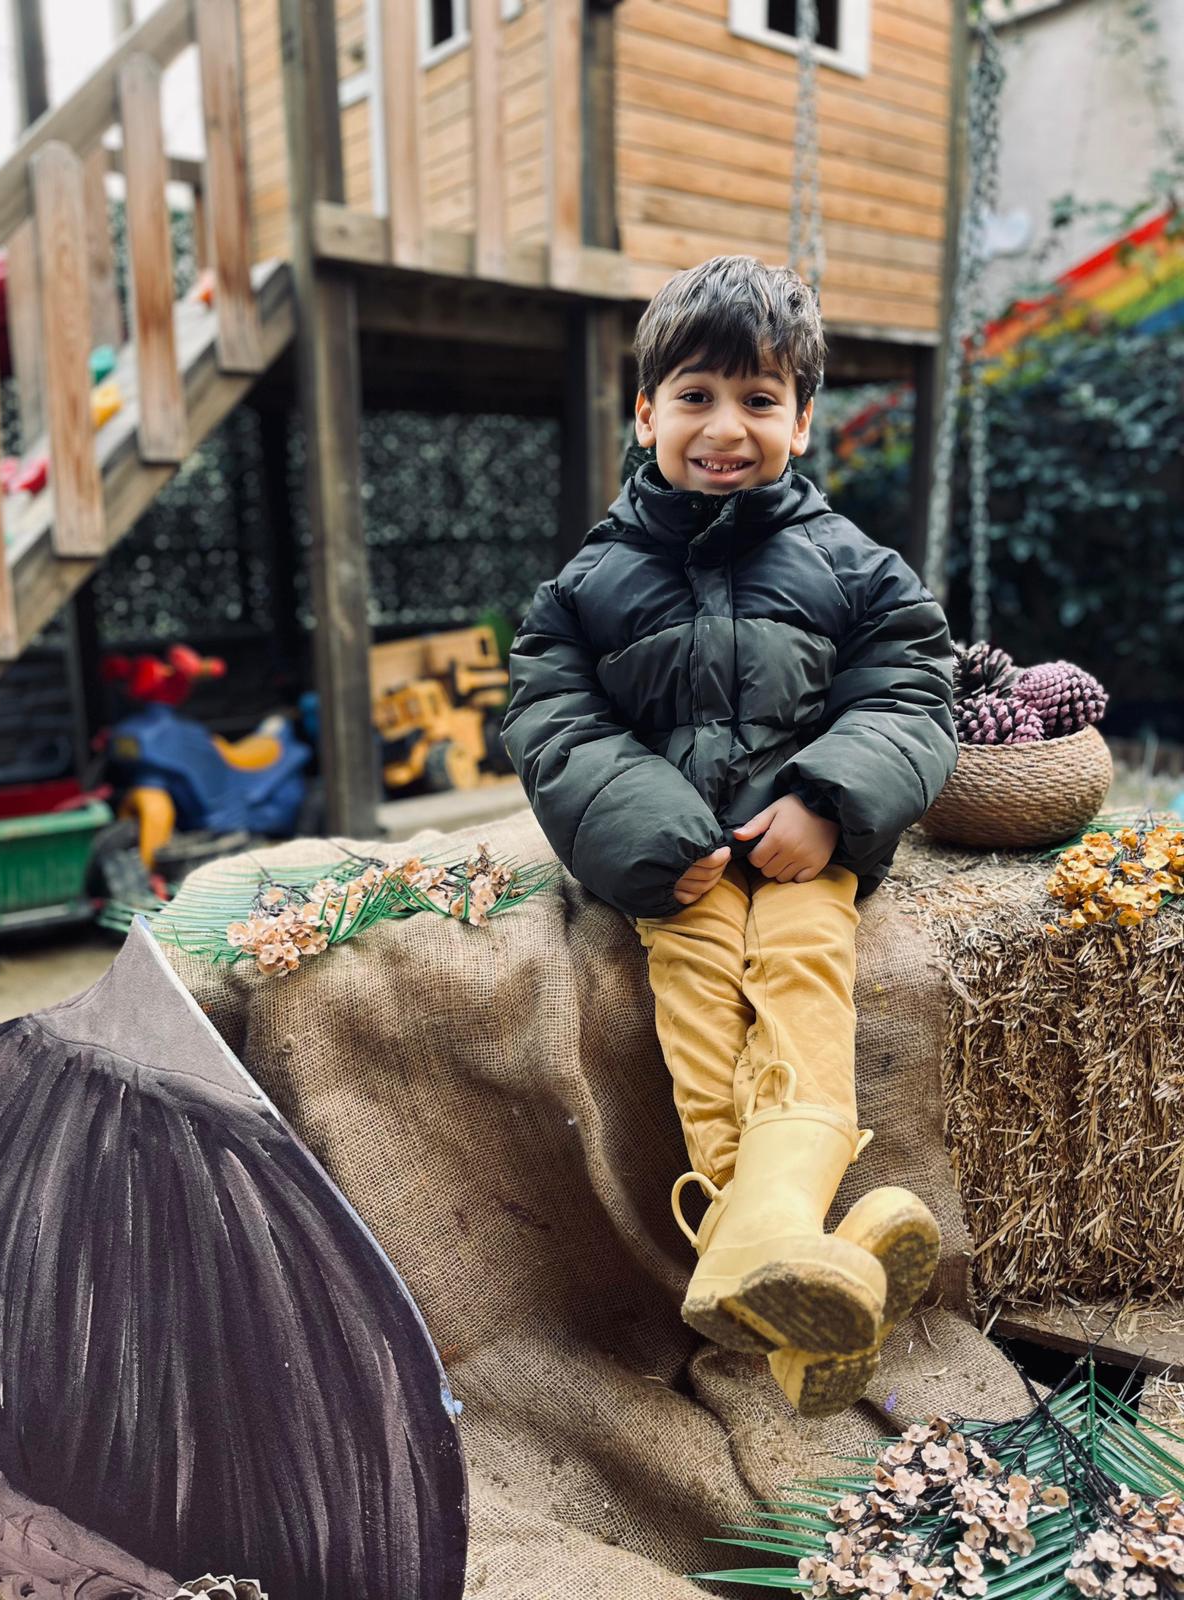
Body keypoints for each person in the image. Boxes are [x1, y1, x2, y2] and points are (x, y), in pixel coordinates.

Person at [501, 254, 957, 1416]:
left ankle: (757, 1249)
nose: (725, 427)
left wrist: (827, 801)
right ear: (645, 412)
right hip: (682, 870)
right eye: (695, 396)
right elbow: (554, 722)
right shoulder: (586, 586)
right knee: (702, 996)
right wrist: (652, 832)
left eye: (759, 399)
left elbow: (909, 693)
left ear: (801, 421)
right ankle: (797, 1259)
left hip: (802, 849)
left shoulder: (856, 567)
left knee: (803, 975)